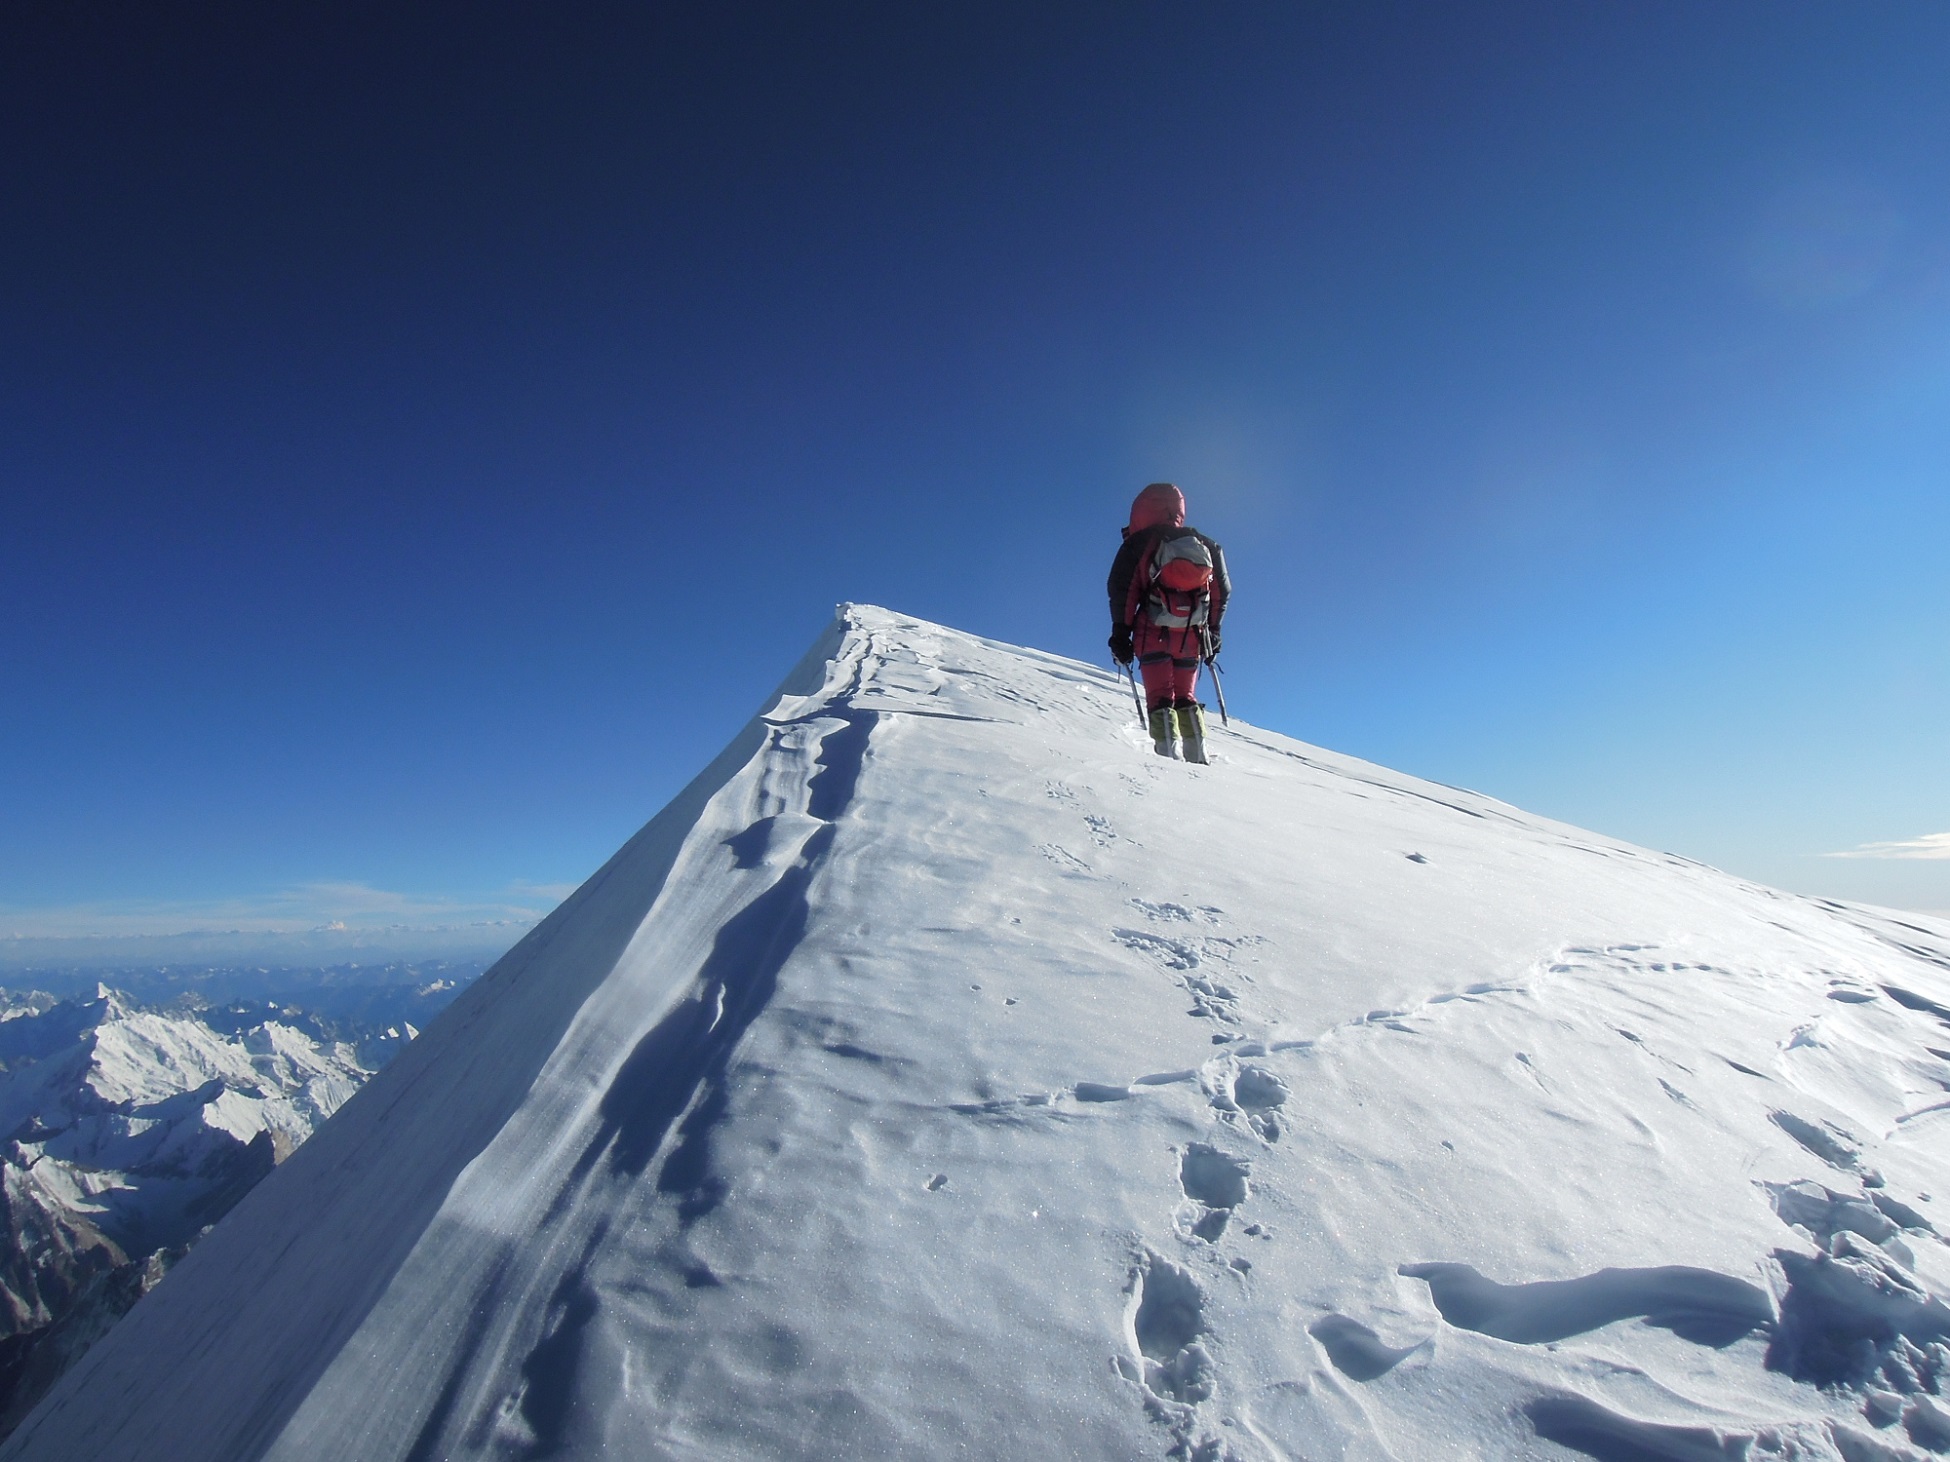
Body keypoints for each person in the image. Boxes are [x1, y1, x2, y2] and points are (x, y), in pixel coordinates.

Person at [1107, 482, 1230, 764]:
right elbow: (1222, 590)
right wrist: (1214, 631)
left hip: (1152, 634)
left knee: (1161, 696)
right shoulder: (1205, 544)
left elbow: (1123, 591)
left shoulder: (1139, 545)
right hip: (1192, 636)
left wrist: (1120, 634)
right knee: (1186, 696)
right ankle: (1198, 757)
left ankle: (1166, 763)